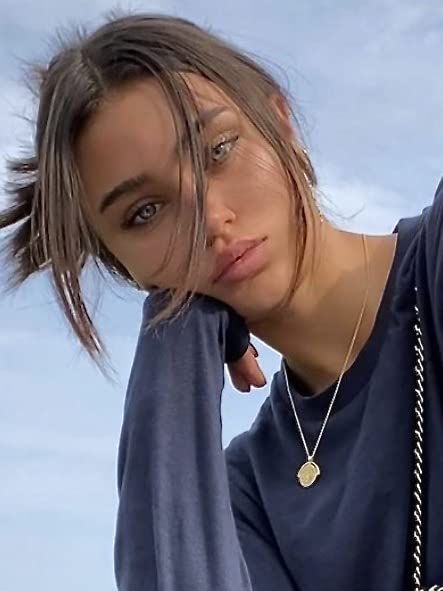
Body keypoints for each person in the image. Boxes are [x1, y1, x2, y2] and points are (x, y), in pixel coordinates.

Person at [1, 12, 442, 591]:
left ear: (281, 124)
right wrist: (174, 342)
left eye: (218, 150)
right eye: (146, 213)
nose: (211, 220)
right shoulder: (246, 496)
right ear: (123, 266)